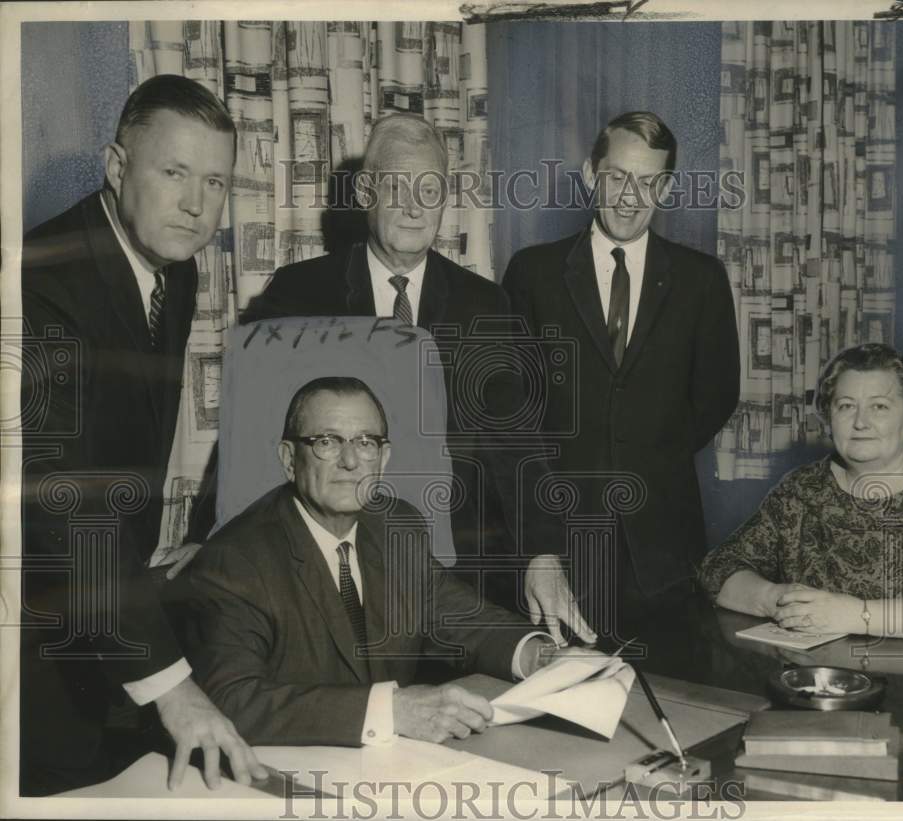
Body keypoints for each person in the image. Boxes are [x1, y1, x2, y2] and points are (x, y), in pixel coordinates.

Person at [239, 112, 595, 646]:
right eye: (396, 186)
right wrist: (213, 537)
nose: (412, 206)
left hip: (450, 571)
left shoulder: (485, 305)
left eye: (429, 189)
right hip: (327, 568)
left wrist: (541, 552)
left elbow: (516, 444)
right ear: (365, 192)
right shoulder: (299, 293)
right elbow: (255, 426)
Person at [20, 74, 265, 795]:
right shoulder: (41, 289)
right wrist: (174, 690)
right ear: (117, 165)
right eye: (174, 173)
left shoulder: (174, 269)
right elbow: (65, 505)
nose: (196, 204)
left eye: (215, 181)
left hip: (106, 620)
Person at [180, 378, 571, 746]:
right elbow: (233, 700)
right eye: (327, 442)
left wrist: (540, 654)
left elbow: (463, 619)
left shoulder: (395, 524)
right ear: (288, 458)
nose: (350, 461)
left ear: (382, 458)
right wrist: (390, 711)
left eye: (365, 442)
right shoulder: (235, 560)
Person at [503, 111, 740, 635]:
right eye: (618, 176)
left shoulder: (701, 279)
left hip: (664, 543)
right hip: (561, 537)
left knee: (677, 690)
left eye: (650, 181)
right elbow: (515, 410)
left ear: (668, 187)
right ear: (591, 174)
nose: (632, 196)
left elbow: (718, 394)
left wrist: (647, 455)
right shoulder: (533, 273)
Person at [699, 343, 903, 640]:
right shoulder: (801, 489)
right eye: (846, 406)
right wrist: (775, 598)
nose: (860, 422)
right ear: (828, 418)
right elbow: (718, 566)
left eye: (879, 406)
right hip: (809, 674)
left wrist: (857, 616)